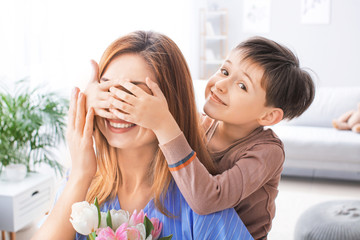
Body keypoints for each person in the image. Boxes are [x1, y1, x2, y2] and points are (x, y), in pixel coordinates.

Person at [87, 36, 315, 240]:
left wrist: (164, 124)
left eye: (242, 85)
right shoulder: (203, 124)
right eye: (225, 71)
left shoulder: (267, 153)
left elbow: (208, 200)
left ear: (268, 115)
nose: (222, 84)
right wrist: (100, 94)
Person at [32, 31, 254, 240]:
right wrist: (81, 173)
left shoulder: (199, 201)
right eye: (107, 90)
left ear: (170, 106)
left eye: (132, 94)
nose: (115, 107)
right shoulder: (81, 182)